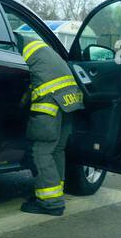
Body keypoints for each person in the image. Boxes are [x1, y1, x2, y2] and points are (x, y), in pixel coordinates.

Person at [19, 38, 85, 216]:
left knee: (40, 151)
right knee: (56, 149)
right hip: (70, 98)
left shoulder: (12, 46)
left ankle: (50, 203)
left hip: (50, 99)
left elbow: (21, 86)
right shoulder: (32, 42)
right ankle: (55, 194)